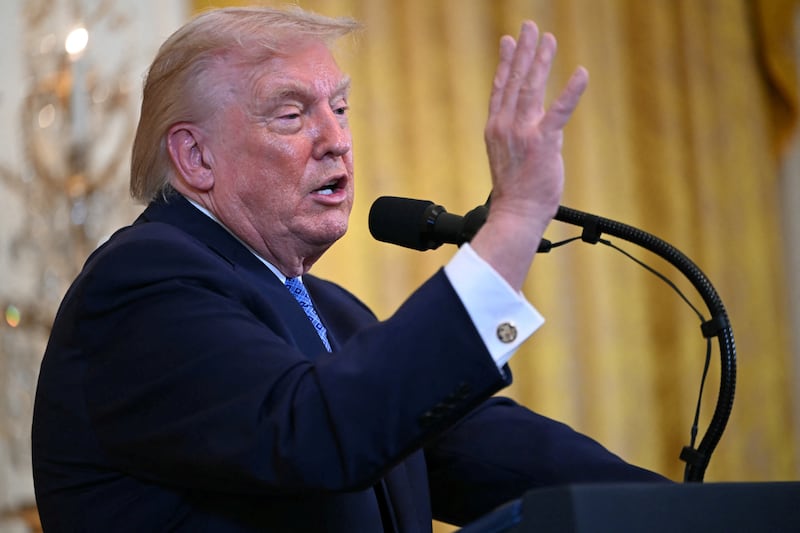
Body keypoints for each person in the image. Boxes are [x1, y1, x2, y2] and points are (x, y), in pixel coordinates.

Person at [31, 6, 669, 532]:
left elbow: (489, 450)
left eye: (339, 108)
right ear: (196, 157)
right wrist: (516, 219)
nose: (335, 138)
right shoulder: (143, 285)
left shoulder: (333, 311)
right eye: (291, 114)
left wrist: (684, 510)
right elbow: (317, 431)